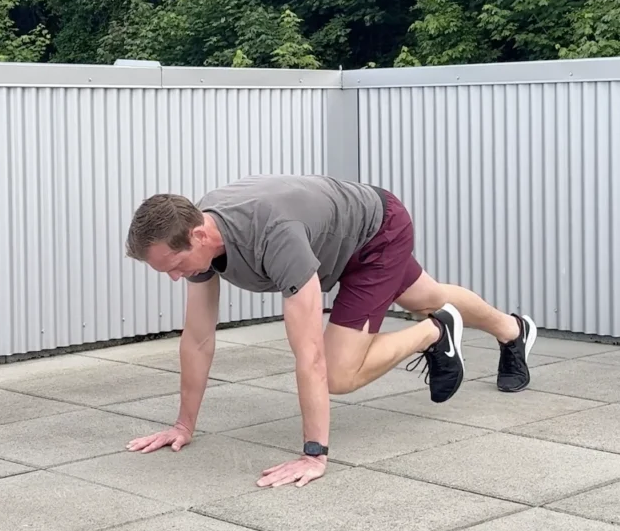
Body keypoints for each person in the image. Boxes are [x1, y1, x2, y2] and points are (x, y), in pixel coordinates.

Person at [122, 174, 537, 488]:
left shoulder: (274, 237)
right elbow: (198, 339)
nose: (175, 277)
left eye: (175, 266)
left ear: (198, 235)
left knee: (339, 372)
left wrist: (314, 454)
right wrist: (183, 426)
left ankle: (436, 331)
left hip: (376, 231)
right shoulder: (198, 237)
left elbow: (310, 355)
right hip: (335, 234)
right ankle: (513, 331)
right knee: (428, 295)